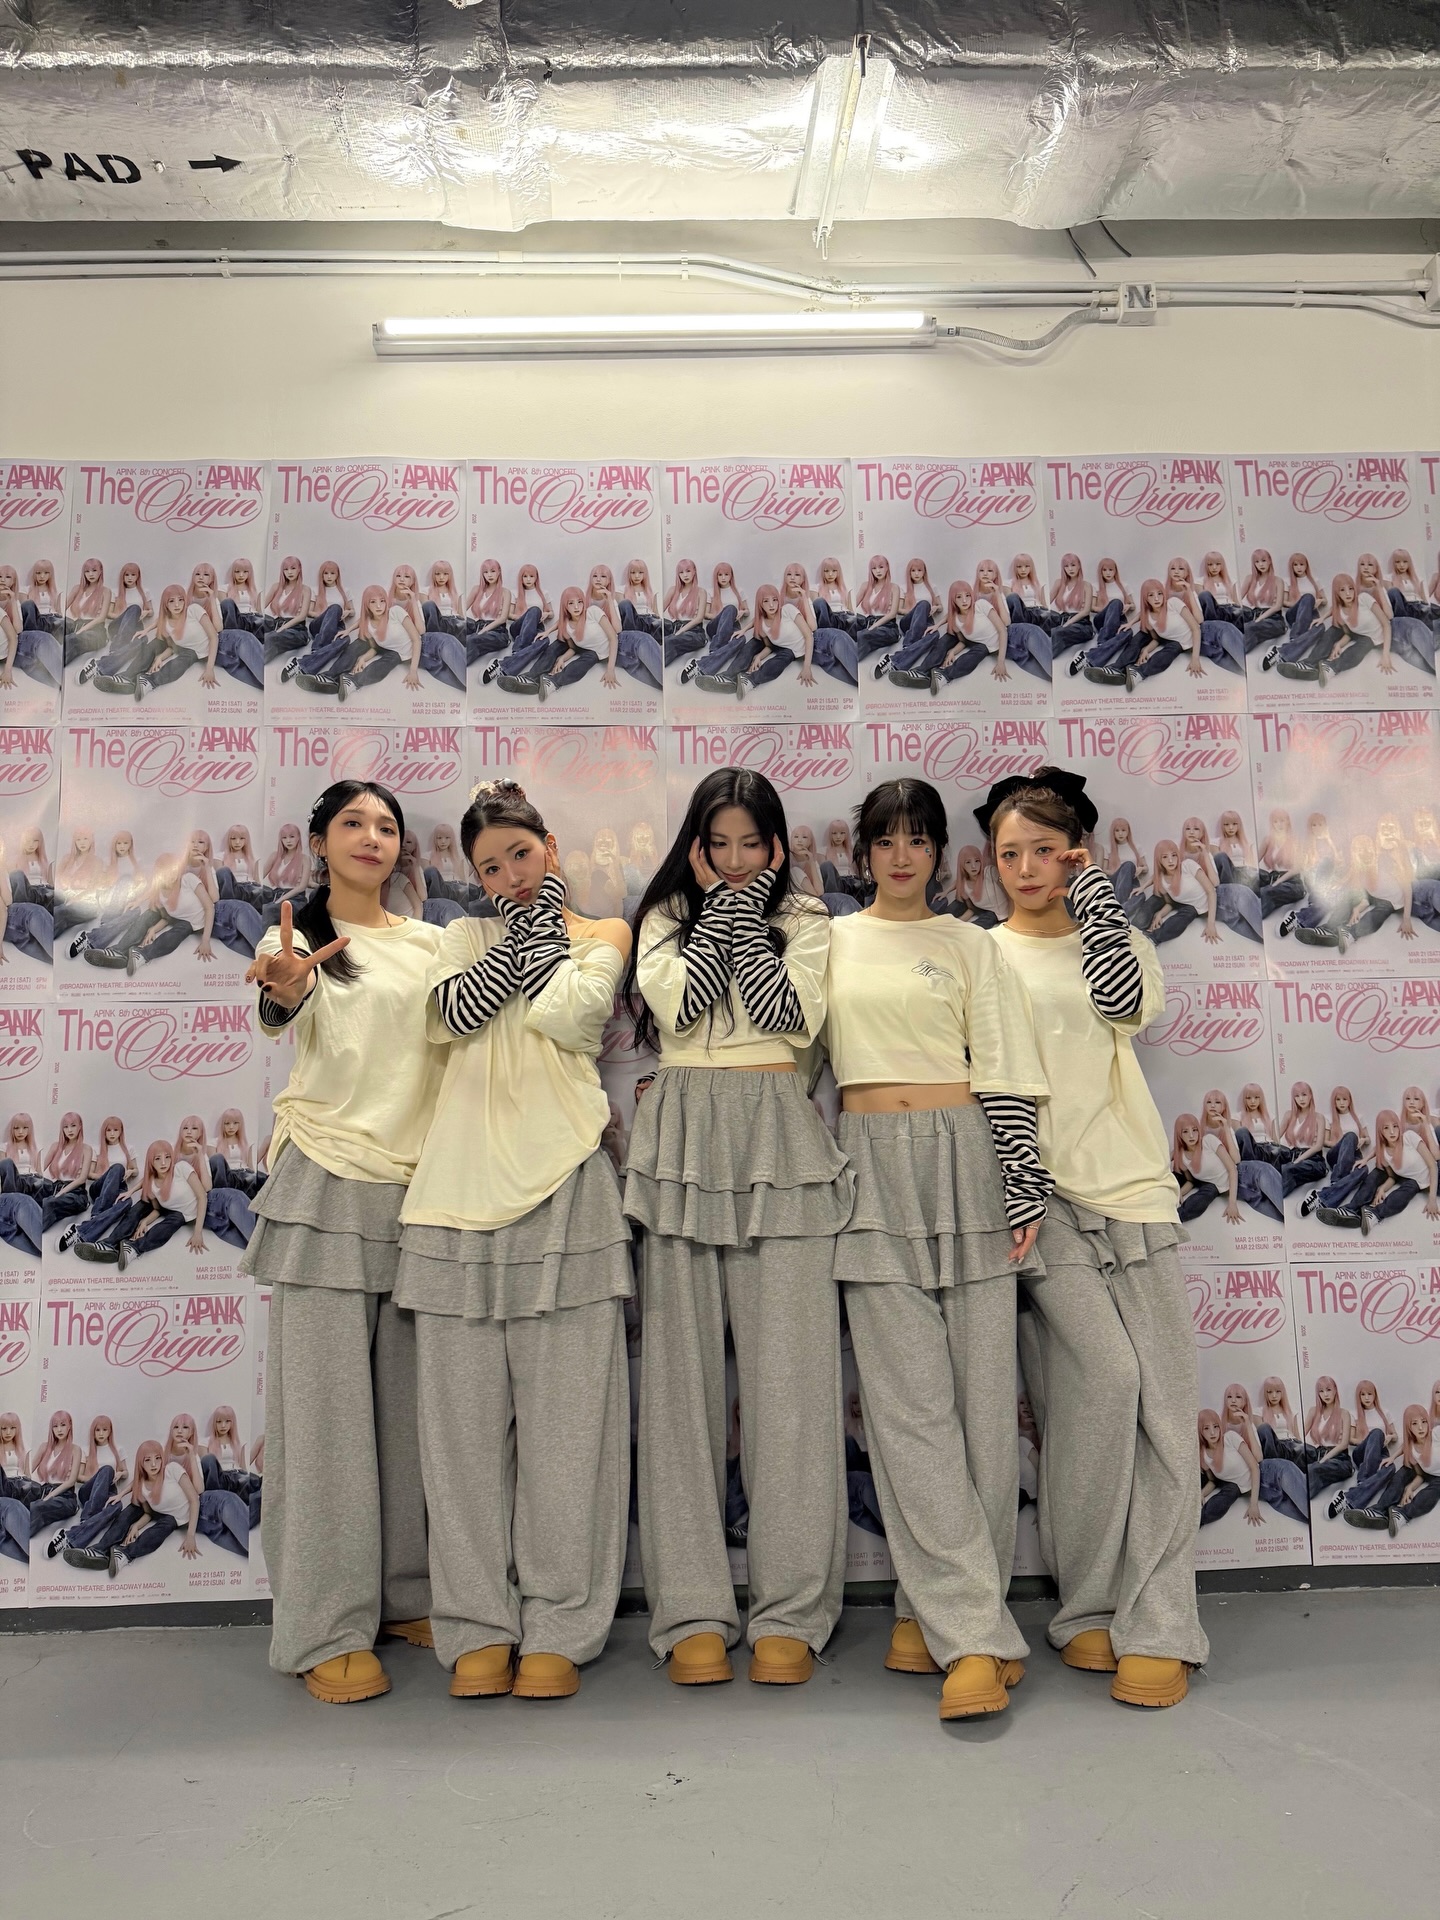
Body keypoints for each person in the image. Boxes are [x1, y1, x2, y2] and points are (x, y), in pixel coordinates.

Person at [395, 779, 633, 1702]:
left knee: (568, 1438)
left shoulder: (603, 933)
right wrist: (523, 936)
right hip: (454, 1198)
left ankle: (562, 1625)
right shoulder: (459, 937)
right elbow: (449, 1016)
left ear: (551, 849)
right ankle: (475, 1625)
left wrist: (538, 933)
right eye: (489, 868)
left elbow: (574, 1018)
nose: (507, 877)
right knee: (460, 1445)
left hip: (564, 1186)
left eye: (521, 856)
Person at [823, 778, 1052, 1721]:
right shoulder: (829, 941)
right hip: (868, 1164)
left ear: (940, 853)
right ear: (863, 853)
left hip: (968, 1157)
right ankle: (976, 1638)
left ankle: (940, 1614)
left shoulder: (970, 943)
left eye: (917, 839)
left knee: (983, 1412)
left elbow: (1002, 1064)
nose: (901, 856)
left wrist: (1022, 1179)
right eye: (885, 840)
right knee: (908, 1413)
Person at [622, 767, 852, 1687]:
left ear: (777, 844)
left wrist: (746, 916)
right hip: (682, 1134)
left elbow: (787, 1016)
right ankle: (691, 1611)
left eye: (751, 844)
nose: (734, 860)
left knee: (790, 1388)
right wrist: (717, 913)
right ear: (695, 844)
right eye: (717, 844)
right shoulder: (662, 919)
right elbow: (680, 1007)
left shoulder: (808, 920)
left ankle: (792, 1608)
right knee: (679, 1392)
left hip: (778, 1132)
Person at [984, 769, 1208, 1708]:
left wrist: (1097, 901)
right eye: (1009, 853)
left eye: (1045, 851)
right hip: (1041, 1199)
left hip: (1135, 1191)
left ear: (1075, 854)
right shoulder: (980, 953)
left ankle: (1158, 1621)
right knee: (1103, 1386)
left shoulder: (1119, 940)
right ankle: (1086, 1604)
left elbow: (1121, 1004)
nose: (1025, 868)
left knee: (1164, 1408)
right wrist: (1020, 1182)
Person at [239, 779, 447, 1704]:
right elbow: (279, 1002)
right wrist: (286, 988)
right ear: (318, 841)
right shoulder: (290, 939)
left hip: (421, 1191)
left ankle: (404, 1594)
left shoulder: (434, 945)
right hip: (326, 1180)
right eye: (353, 823)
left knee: (409, 1415)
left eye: (387, 825)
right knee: (324, 1423)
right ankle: (324, 1625)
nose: (372, 836)